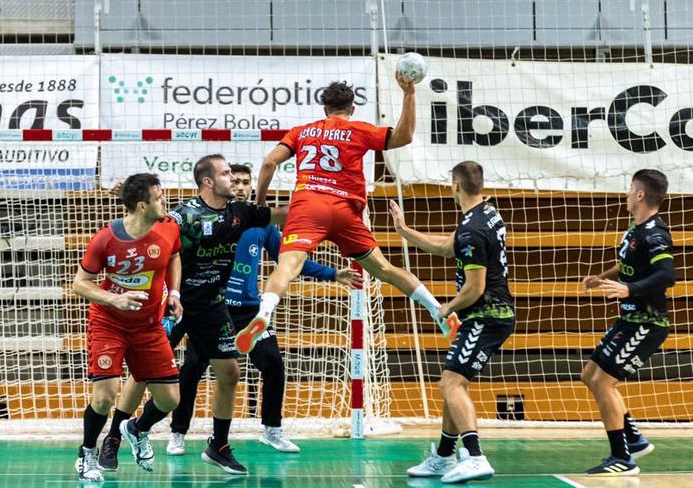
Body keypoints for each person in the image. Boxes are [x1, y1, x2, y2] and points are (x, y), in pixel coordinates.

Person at [235, 74, 444, 355]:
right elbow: (404, 136)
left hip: (308, 206)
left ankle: (265, 313)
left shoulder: (302, 131)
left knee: (287, 266)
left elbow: (269, 162)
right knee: (385, 270)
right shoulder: (359, 129)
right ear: (352, 109)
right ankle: (438, 309)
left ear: (324, 109)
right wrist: (409, 94)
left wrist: (260, 203)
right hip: (345, 212)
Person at [104, 154, 286, 476]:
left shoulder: (240, 213)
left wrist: (323, 209)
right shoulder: (183, 217)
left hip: (211, 306)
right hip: (173, 302)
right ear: (208, 181)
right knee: (144, 373)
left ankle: (218, 445)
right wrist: (127, 198)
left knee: (229, 373)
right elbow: (147, 226)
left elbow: (281, 215)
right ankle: (115, 434)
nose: (234, 180)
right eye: (227, 174)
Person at [164, 163, 361, 456]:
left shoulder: (261, 226)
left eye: (245, 181)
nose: (240, 186)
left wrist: (333, 274)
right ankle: (178, 432)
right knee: (192, 369)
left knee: (273, 363)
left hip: (247, 310)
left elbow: (291, 261)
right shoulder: (208, 219)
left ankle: (272, 430)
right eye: (235, 180)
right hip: (211, 307)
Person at [391, 161, 514, 484]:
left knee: (451, 383)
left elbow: (476, 287)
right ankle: (444, 456)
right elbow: (449, 247)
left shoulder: (473, 227)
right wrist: (405, 232)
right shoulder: (486, 213)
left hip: (487, 315)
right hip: (487, 314)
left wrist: (449, 307)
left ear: (456, 186)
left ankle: (474, 457)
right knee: (452, 382)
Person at [72, 173, 183, 482]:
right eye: (159, 198)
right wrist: (112, 299)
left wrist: (173, 294)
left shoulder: (169, 227)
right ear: (141, 205)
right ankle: (86, 453)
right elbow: (80, 284)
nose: (165, 202)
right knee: (105, 396)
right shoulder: (106, 238)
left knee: (170, 400)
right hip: (110, 322)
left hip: (148, 327)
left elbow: (174, 256)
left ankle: (136, 428)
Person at [580, 169, 675, 476]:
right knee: (589, 374)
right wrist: (602, 278)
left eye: (629, 188)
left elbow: (666, 275)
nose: (626, 194)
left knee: (603, 383)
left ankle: (622, 457)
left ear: (640, 194)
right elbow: (628, 264)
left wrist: (628, 289)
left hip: (647, 322)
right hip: (629, 318)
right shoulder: (635, 230)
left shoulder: (655, 234)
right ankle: (633, 438)